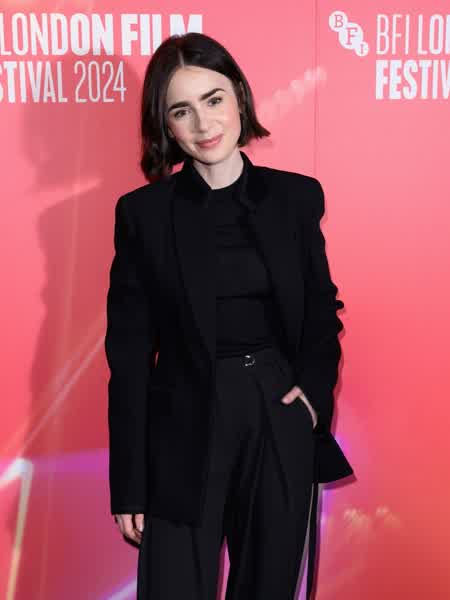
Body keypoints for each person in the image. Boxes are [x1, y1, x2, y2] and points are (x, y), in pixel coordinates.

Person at [105, 32, 354, 600]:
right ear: (166, 126)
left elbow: (321, 311)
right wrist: (129, 485)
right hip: (181, 424)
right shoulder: (144, 215)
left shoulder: (295, 199)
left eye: (213, 99)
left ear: (239, 96)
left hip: (277, 410)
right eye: (181, 110)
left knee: (267, 585)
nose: (203, 124)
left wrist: (311, 397)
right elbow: (129, 356)